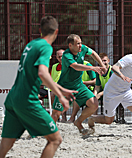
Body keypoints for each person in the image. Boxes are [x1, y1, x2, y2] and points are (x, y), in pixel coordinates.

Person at [0, 16, 77, 158]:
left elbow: (34, 73)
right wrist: (60, 96)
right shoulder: (46, 47)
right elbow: (42, 72)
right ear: (56, 32)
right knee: (55, 139)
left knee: (7, 141)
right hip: (27, 100)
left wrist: (62, 90)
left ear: (40, 30)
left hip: (13, 98)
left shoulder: (31, 45)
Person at [88, 43, 132, 136]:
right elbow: (114, 67)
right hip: (111, 92)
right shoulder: (130, 58)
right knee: (108, 120)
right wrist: (122, 75)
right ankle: (92, 119)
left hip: (126, 91)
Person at [51, 34, 107, 134]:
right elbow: (76, 66)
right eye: (78, 44)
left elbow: (93, 53)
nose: (81, 46)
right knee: (56, 114)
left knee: (94, 104)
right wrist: (93, 68)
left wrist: (102, 65)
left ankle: (78, 122)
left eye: (81, 43)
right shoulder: (67, 55)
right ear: (70, 45)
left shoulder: (83, 49)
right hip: (65, 88)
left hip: (79, 85)